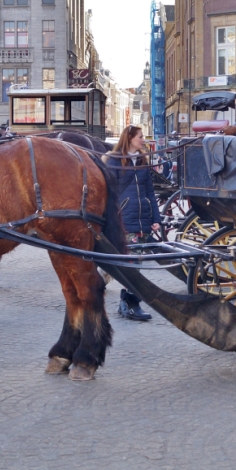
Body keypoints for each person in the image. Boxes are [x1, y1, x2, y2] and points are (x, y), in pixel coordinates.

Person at [104, 125, 157, 322]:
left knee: (136, 262)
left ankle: (125, 303)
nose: (143, 140)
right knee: (133, 263)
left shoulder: (143, 160)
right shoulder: (114, 160)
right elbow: (108, 192)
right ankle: (130, 304)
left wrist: (156, 219)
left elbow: (150, 191)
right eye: (140, 137)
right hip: (125, 218)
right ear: (130, 138)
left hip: (143, 218)